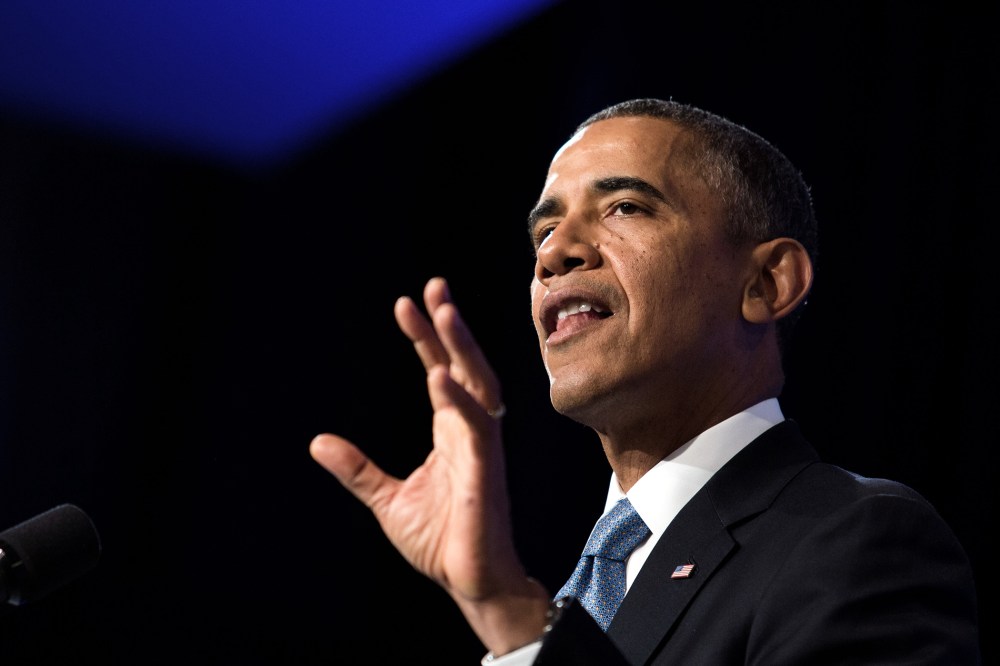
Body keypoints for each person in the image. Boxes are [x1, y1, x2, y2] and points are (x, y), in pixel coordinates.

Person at [309, 98, 981, 664]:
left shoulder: (855, 541)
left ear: (765, 283)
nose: (554, 252)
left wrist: (510, 609)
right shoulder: (580, 583)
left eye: (625, 207)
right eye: (545, 228)